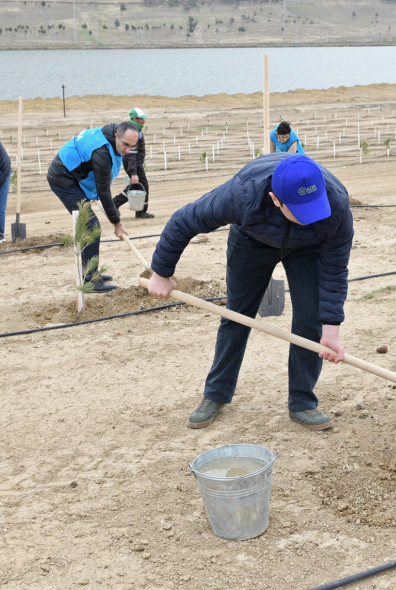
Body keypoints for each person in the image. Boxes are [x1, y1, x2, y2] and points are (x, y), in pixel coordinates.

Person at [147, 153, 353, 431]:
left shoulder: (335, 204)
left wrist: (331, 328)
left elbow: (335, 269)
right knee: (236, 314)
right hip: (252, 240)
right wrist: (161, 272)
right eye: (300, 210)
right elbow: (185, 220)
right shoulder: (242, 194)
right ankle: (215, 394)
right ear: (274, 199)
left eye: (313, 208)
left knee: (310, 320)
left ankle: (303, 402)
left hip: (309, 249)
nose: (310, 216)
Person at [47, 121, 137, 293]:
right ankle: (90, 278)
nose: (128, 151)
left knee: (90, 224)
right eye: (126, 145)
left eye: (132, 147)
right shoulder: (101, 152)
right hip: (63, 178)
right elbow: (104, 191)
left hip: (74, 174)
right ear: (116, 135)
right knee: (91, 225)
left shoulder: (112, 133)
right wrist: (117, 223)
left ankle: (90, 272)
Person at [111, 107, 154, 219]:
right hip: (133, 164)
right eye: (141, 119)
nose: (144, 122)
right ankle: (139, 211)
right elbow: (131, 154)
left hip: (135, 164)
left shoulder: (134, 130)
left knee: (136, 186)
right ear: (134, 119)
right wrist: (134, 172)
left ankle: (116, 203)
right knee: (142, 186)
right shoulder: (132, 132)